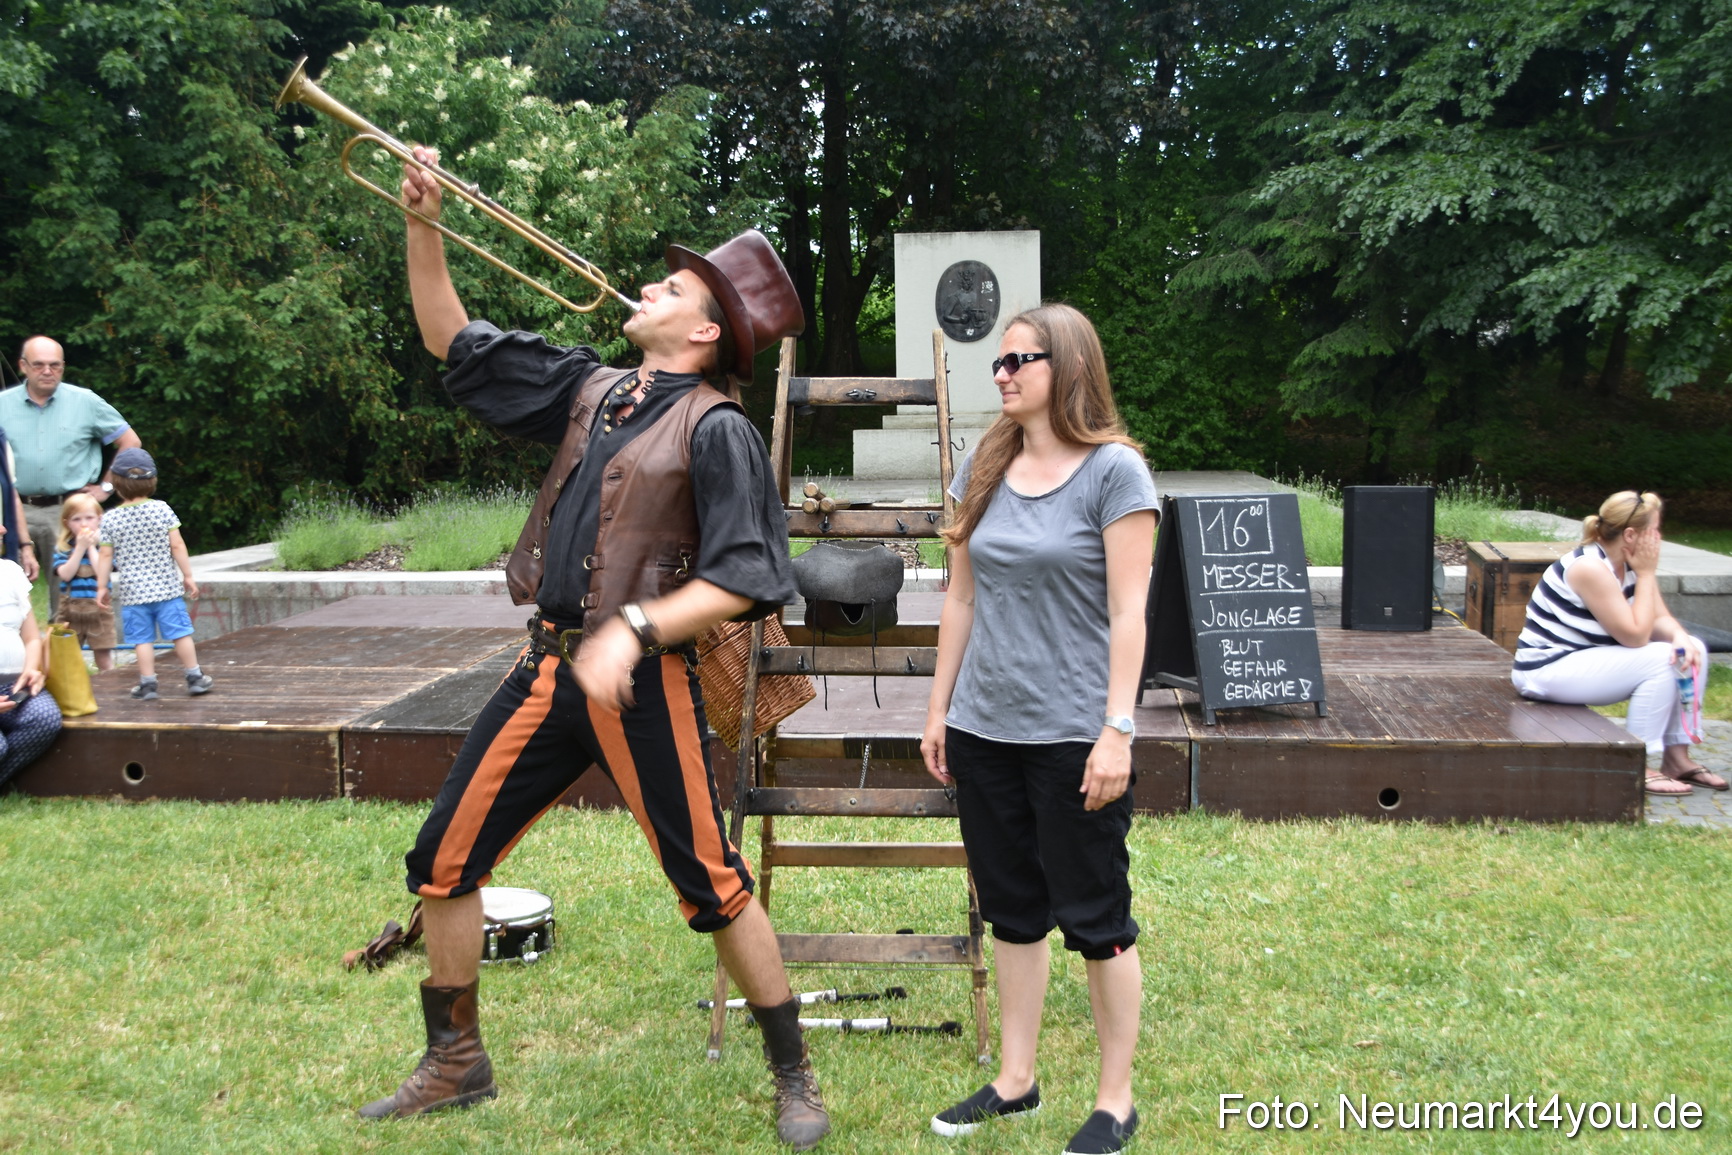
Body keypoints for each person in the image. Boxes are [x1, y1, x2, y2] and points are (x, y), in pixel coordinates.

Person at [352, 146, 826, 1150]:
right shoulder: (589, 388)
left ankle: (792, 1070)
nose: (647, 284)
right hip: (546, 666)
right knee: (442, 859)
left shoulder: (719, 428)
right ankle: (455, 1063)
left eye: (673, 284)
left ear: (703, 330)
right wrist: (423, 223)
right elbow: (453, 341)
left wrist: (638, 629)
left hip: (645, 682)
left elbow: (749, 573)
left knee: (711, 881)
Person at [921, 305, 1157, 1155]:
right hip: (986, 728)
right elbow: (961, 596)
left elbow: (1131, 613)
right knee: (1013, 908)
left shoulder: (1115, 474)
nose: (1004, 372)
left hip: (1073, 733)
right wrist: (940, 707)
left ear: (1070, 367)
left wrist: (1117, 729)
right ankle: (1016, 1080)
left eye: (1023, 358)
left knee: (1097, 915)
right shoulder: (983, 463)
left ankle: (1116, 1100)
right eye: (999, 360)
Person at [1512, 490, 1720, 797]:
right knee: (1663, 659)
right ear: (1632, 534)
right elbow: (1634, 636)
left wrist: (1679, 637)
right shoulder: (1589, 567)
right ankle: (1635, 762)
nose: (1660, 537)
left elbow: (1661, 619)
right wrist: (1648, 574)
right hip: (1547, 670)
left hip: (1588, 661)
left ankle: (1676, 757)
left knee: (1691, 648)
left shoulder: (1630, 564)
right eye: (1656, 530)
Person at [5, 336, 142, 611]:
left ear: (63, 367)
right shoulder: (2, 405)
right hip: (13, 509)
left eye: (55, 365)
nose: (47, 371)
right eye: (39, 365)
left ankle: (70, 651)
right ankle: (19, 652)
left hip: (69, 511)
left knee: (72, 599)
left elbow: (130, 442)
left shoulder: (85, 402)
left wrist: (105, 488)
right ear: (23, 366)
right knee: (8, 593)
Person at [92, 448, 212, 699]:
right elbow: (177, 544)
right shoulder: (162, 509)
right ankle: (194, 676)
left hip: (134, 593)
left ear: (116, 483)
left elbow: (105, 556)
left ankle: (148, 684)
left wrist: (102, 586)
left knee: (142, 639)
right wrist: (187, 575)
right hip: (167, 589)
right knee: (180, 633)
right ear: (152, 481)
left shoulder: (111, 519)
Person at [0, 548, 62, 791]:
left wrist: (32, 669)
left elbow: (32, 638)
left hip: (14, 685)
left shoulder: (10, 572)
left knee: (45, 718)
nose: (4, 528)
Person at [52, 492, 118, 671]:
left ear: (99, 519)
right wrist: (79, 548)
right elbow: (65, 574)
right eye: (76, 519)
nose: (83, 524)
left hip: (100, 611)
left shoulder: (106, 547)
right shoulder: (63, 548)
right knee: (68, 657)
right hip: (70, 612)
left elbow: (102, 572)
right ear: (67, 523)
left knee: (103, 658)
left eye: (89, 518)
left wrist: (90, 547)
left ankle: (108, 690)